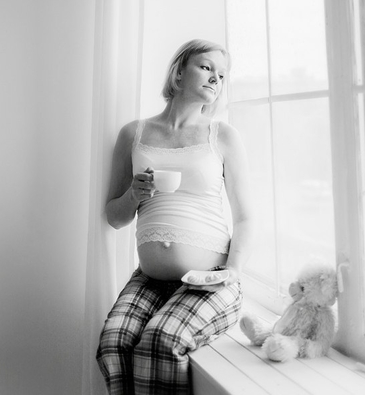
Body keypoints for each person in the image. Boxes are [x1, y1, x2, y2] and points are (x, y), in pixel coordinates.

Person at [96, 40, 255, 394]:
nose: (216, 78)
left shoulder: (223, 136)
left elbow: (246, 218)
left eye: (222, 75)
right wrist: (134, 195)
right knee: (113, 344)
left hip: (209, 278)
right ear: (179, 72)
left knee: (161, 341)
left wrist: (233, 271)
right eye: (207, 67)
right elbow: (114, 217)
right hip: (150, 279)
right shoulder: (133, 134)